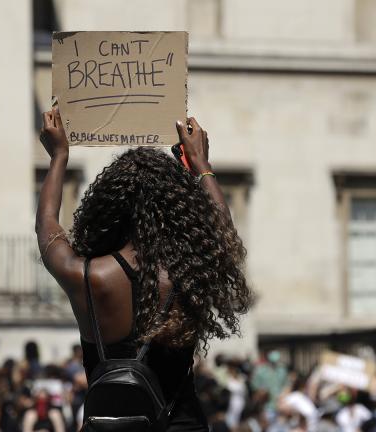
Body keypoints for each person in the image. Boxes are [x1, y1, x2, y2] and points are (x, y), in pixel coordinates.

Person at [36, 107, 254, 431]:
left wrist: (58, 157)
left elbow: (47, 225)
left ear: (107, 209)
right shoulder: (188, 273)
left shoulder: (86, 275)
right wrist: (201, 166)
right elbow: (221, 234)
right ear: (178, 208)